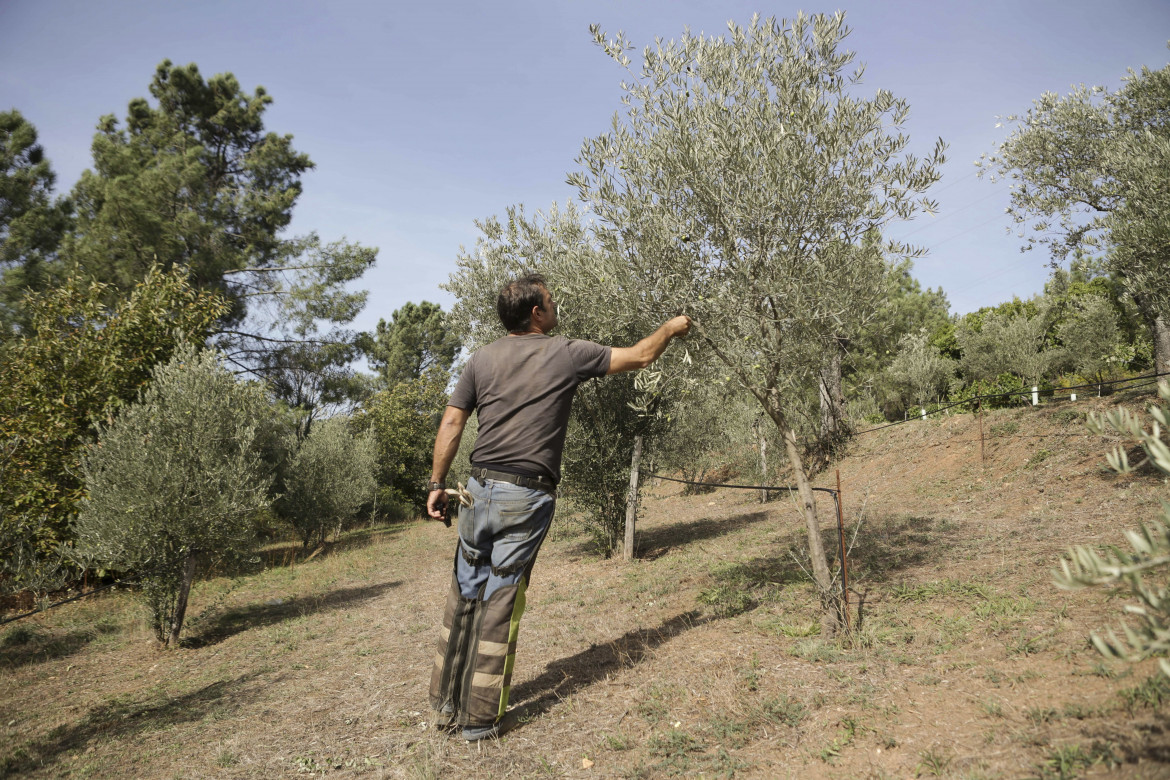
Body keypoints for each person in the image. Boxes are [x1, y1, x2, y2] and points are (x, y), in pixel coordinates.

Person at [425, 273, 691, 741]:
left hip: (474, 489)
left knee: (465, 594)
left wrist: (436, 483)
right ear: (536, 313)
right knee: (500, 599)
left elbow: (452, 420)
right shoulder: (565, 352)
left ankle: (445, 705)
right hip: (523, 496)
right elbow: (641, 356)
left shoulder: (481, 358)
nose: (555, 304)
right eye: (551, 300)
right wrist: (671, 328)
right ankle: (479, 722)